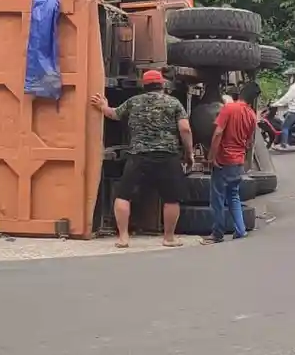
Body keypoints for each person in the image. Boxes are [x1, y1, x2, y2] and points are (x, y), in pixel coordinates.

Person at [90, 69, 193, 248]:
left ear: (144, 86)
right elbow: (185, 129)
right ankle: (169, 238)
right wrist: (189, 152)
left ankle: (123, 238)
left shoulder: (133, 102)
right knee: (171, 198)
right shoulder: (173, 103)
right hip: (167, 155)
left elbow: (113, 114)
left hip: (138, 156)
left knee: (123, 195)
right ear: (162, 84)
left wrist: (102, 106)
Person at [204, 82, 258, 245]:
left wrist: (212, 156)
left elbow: (218, 133)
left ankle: (217, 234)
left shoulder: (228, 109)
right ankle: (240, 230)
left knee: (217, 198)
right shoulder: (252, 115)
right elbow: (249, 142)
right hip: (238, 161)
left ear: (240, 93)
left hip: (223, 160)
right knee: (233, 195)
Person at [272, 66, 295, 150]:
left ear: (294, 76)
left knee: (284, 126)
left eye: (289, 76)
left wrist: (275, 104)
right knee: (285, 116)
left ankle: (284, 145)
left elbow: (286, 98)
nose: (288, 78)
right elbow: (289, 98)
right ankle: (290, 136)